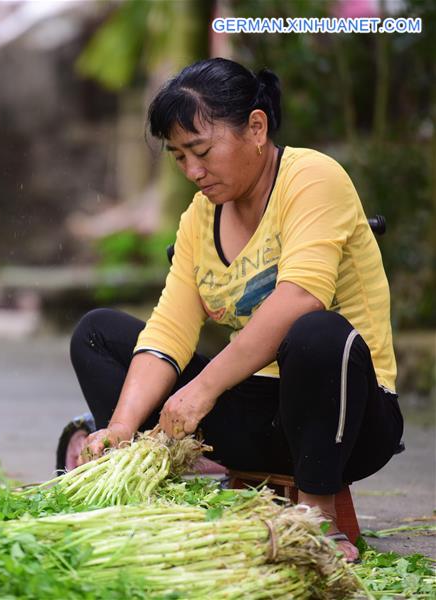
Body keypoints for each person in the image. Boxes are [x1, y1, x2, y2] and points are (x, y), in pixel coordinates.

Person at [66, 58, 403, 562]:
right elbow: (169, 330)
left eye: (201, 151)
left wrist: (200, 390)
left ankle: (313, 518)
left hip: (347, 421)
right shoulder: (199, 218)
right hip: (256, 422)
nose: (193, 171)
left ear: (257, 128)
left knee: (314, 330)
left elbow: (300, 297)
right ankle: (167, 481)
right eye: (179, 158)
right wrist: (121, 424)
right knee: (98, 333)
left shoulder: (312, 178)